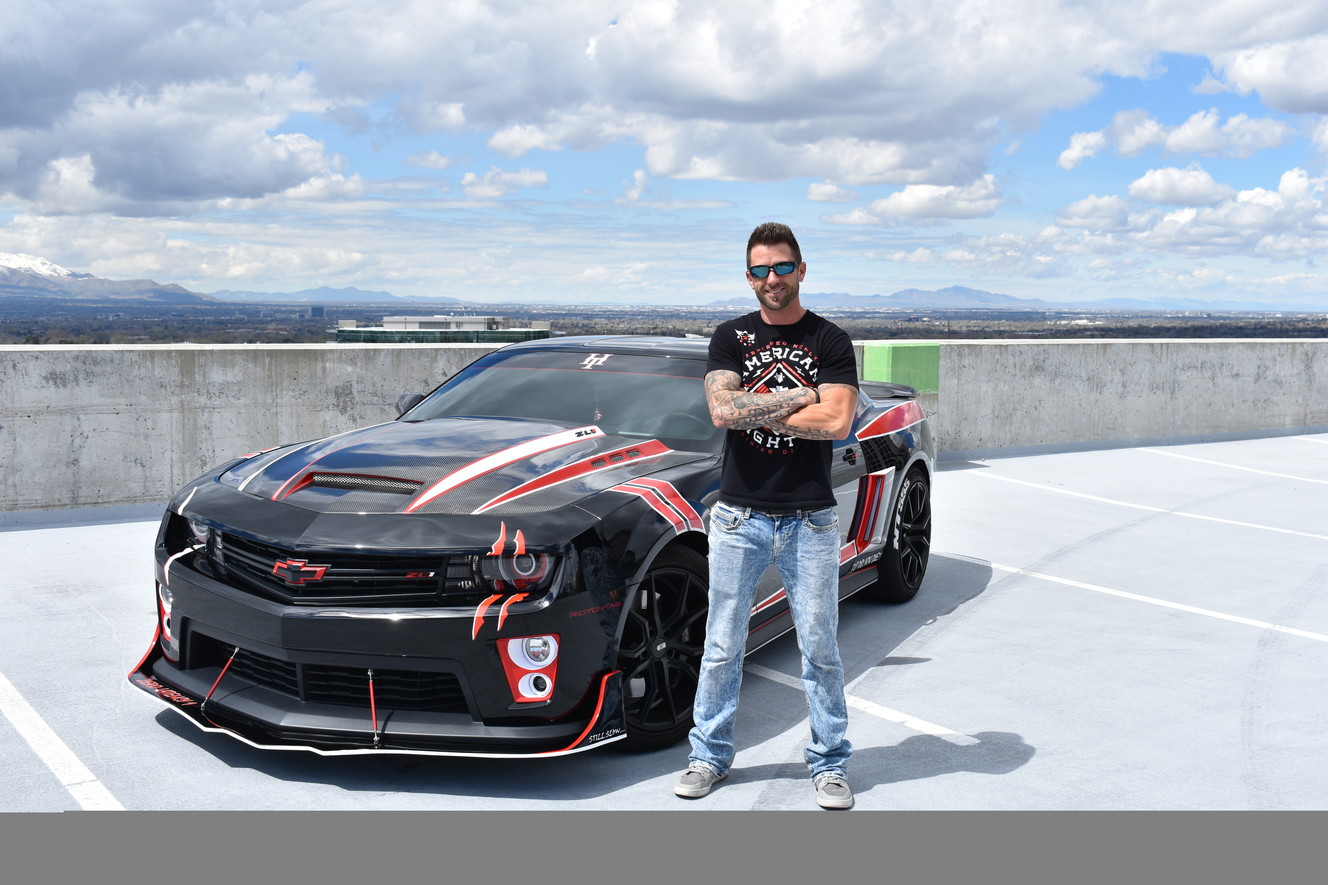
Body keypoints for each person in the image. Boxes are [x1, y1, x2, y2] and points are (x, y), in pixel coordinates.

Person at [674, 221, 859, 809]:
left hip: (810, 520)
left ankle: (830, 765)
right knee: (722, 646)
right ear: (747, 276)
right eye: (759, 270)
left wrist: (760, 409)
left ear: (801, 270)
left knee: (821, 648)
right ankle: (708, 757)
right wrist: (803, 396)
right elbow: (722, 411)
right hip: (737, 519)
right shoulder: (730, 337)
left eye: (781, 267)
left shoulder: (830, 340)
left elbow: (837, 424)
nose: (771, 279)